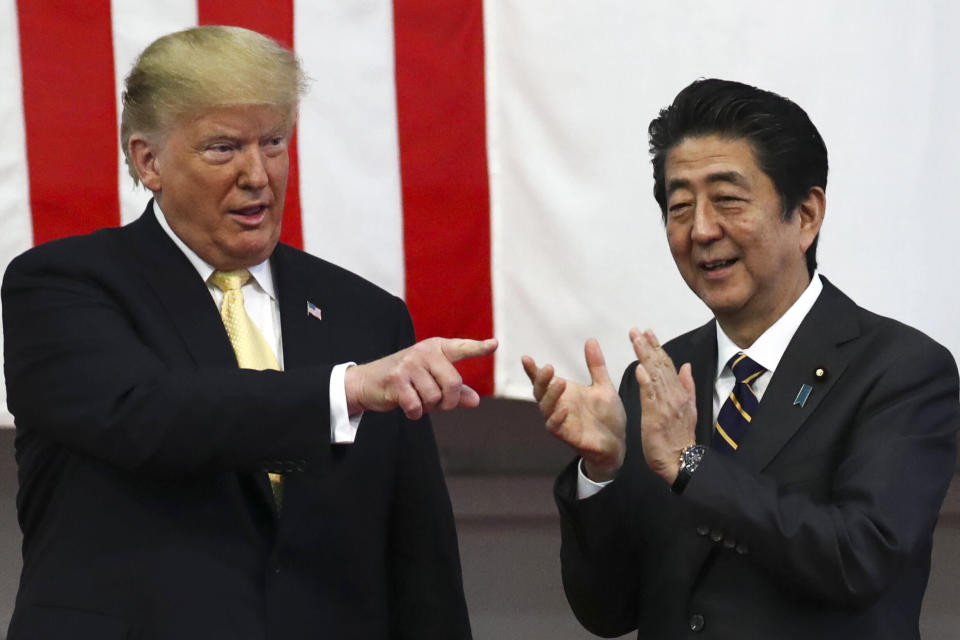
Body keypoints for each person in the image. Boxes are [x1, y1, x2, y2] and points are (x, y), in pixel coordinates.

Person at [2, 26, 494, 640]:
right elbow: (147, 416)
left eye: (274, 142)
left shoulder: (369, 318)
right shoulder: (62, 287)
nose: (257, 174)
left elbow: (420, 561)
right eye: (223, 148)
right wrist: (344, 392)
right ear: (147, 160)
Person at [523, 78, 959, 639]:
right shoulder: (656, 380)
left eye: (727, 199)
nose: (702, 229)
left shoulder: (900, 369)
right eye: (681, 206)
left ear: (805, 215)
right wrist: (601, 474)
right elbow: (606, 612)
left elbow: (859, 559)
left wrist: (692, 466)